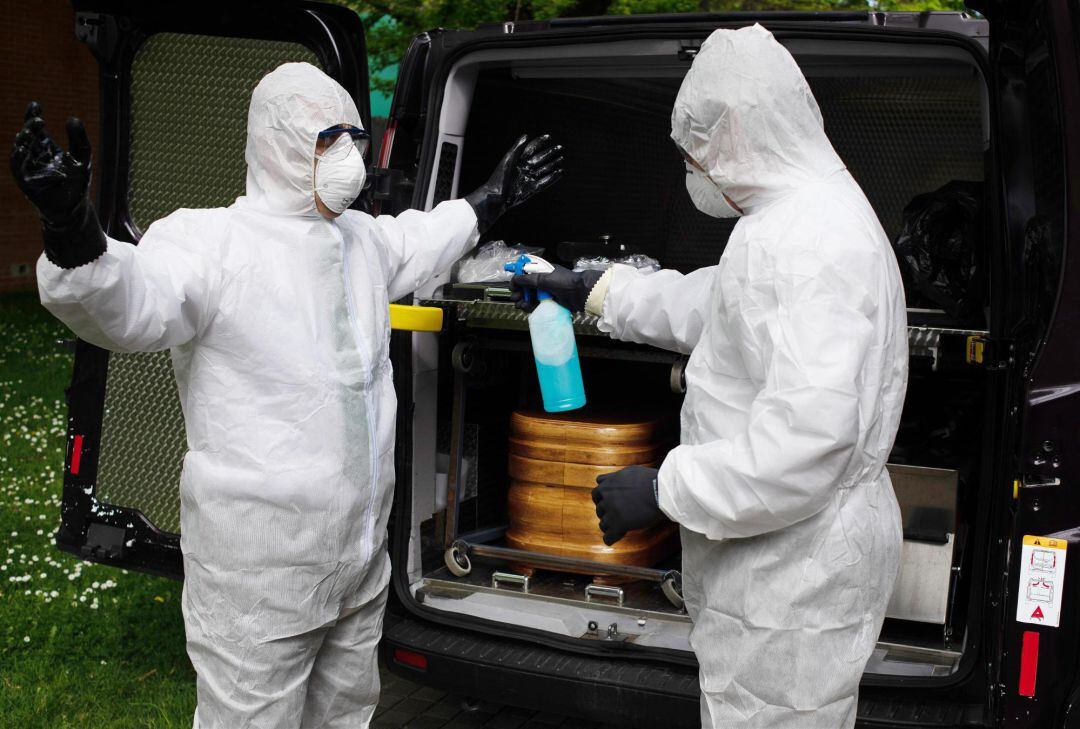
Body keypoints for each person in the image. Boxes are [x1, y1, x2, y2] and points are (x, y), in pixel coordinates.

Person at [12, 61, 562, 728]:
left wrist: (490, 198)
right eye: (325, 139)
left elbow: (419, 241)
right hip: (258, 572)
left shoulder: (358, 238)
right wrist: (74, 237)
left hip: (358, 556)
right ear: (276, 145)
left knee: (345, 712)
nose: (349, 159)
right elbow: (132, 306)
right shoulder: (208, 243)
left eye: (353, 138)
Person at [511, 25, 906, 729]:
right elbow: (721, 306)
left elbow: (806, 445)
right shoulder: (792, 218)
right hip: (778, 565)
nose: (693, 168)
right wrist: (594, 291)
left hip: (791, 575)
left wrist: (664, 487)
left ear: (740, 133)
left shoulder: (811, 243)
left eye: (698, 149)